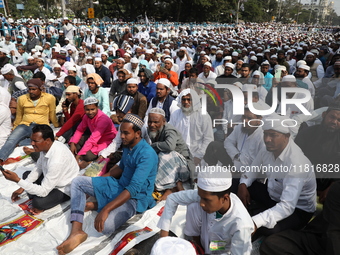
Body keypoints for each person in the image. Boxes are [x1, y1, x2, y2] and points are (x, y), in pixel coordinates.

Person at [57, 114, 158, 254]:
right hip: (119, 186)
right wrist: (100, 182)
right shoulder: (128, 146)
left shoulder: (147, 154)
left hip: (135, 198)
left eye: (125, 133)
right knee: (78, 182)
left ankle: (99, 205)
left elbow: (133, 189)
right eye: (121, 132)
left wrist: (106, 210)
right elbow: (120, 168)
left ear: (138, 134)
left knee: (105, 226)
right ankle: (77, 230)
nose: (121, 136)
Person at [237, 114, 316, 238]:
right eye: (265, 134)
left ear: (286, 137)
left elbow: (287, 206)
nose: (267, 139)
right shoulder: (267, 149)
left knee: (268, 230)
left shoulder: (296, 163)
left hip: (298, 210)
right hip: (274, 196)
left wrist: (255, 221)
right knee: (234, 184)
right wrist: (243, 184)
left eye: (273, 135)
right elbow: (253, 169)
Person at [157, 172, 254, 255]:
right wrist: (164, 238)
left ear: (225, 199)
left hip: (223, 248)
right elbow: (172, 198)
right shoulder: (208, 196)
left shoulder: (241, 224)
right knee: (193, 205)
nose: (202, 203)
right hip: (206, 240)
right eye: (201, 197)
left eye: (206, 200)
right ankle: (197, 246)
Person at [2, 124, 79, 215]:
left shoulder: (57, 161)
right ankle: (37, 194)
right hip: (51, 179)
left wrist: (17, 180)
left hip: (64, 188)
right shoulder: (47, 147)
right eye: (31, 140)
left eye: (35, 141)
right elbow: (38, 168)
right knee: (27, 175)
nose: (32, 144)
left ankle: (44, 200)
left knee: (38, 203)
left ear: (47, 141)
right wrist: (22, 188)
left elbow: (43, 191)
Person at [0, 78, 59, 165]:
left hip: (41, 125)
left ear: (40, 88)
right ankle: (1, 159)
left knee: (42, 140)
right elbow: (19, 115)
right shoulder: (22, 98)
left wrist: (56, 125)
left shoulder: (50, 98)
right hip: (25, 124)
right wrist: (15, 127)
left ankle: (19, 143)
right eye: (29, 89)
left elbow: (52, 113)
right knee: (11, 140)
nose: (31, 91)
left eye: (34, 89)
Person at [295, 102, 340, 203]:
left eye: (339, 120)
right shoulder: (307, 133)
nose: (334, 122)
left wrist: (331, 188)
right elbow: (294, 159)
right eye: (332, 117)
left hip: (329, 184)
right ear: (324, 115)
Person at [148, 108, 194, 200]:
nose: (152, 125)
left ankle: (171, 187)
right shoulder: (152, 130)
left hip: (183, 165)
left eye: (156, 122)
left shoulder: (170, 130)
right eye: (150, 122)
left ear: (164, 121)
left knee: (164, 155)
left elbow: (170, 146)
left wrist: (154, 145)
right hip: (172, 167)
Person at [169, 89, 214, 171]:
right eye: (184, 99)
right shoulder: (176, 114)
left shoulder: (203, 115)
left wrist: (198, 156)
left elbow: (208, 139)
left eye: (189, 99)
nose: (186, 102)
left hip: (198, 155)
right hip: (178, 154)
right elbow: (171, 134)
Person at [69, 97, 117, 169]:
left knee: (87, 156)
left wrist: (79, 155)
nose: (90, 112)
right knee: (73, 141)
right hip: (94, 138)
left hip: (106, 141)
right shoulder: (86, 116)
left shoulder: (103, 119)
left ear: (97, 107)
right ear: (84, 109)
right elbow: (80, 130)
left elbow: (93, 139)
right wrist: (73, 143)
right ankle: (78, 155)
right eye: (87, 110)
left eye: (92, 109)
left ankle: (88, 161)